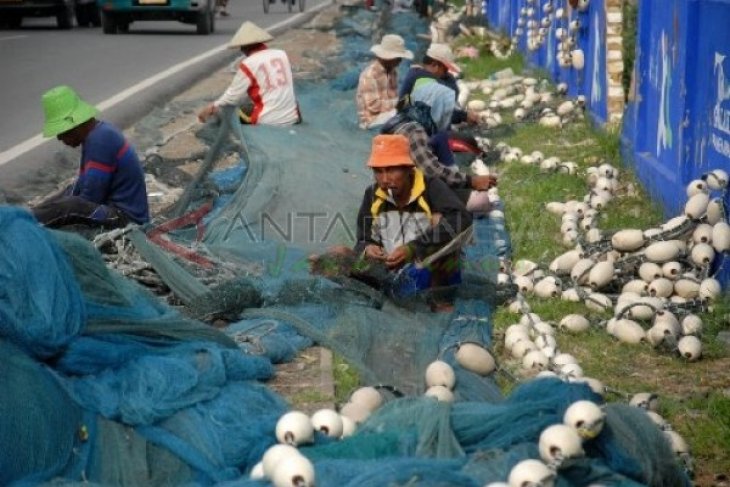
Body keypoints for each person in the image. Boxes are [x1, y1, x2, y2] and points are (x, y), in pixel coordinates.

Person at [310, 134, 472, 308]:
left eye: (392, 170)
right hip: (390, 272)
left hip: (429, 270)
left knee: (440, 220)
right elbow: (363, 238)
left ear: (408, 168)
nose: (385, 179)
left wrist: (413, 249)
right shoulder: (373, 194)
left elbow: (461, 218)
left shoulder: (431, 187)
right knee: (338, 254)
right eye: (378, 171)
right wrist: (368, 248)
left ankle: (440, 302)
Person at [31, 85, 149, 229]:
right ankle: (29, 218)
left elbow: (92, 197)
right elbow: (80, 186)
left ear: (76, 124)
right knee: (67, 194)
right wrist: (44, 207)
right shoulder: (97, 134)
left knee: (70, 206)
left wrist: (58, 209)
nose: (60, 137)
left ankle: (27, 227)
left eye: (63, 132)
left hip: (125, 218)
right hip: (112, 210)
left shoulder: (101, 140)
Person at [381, 80, 497, 211]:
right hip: (405, 198)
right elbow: (431, 170)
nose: (445, 116)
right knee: (480, 201)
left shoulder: (402, 123)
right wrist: (471, 181)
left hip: (399, 190)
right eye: (443, 111)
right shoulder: (414, 131)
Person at [198, 22, 300, 126]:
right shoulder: (281, 54)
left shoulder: (248, 63)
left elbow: (232, 98)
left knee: (228, 112)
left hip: (267, 120)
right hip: (292, 117)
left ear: (245, 46)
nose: (241, 50)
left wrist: (212, 106)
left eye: (242, 47)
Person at [399, 43, 479, 126]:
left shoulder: (435, 77)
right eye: (445, 69)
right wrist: (464, 116)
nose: (447, 73)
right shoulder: (420, 78)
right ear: (434, 65)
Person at [356, 34, 413, 129]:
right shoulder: (369, 76)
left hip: (388, 114)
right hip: (371, 121)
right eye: (398, 58)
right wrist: (399, 103)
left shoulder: (393, 72)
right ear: (388, 57)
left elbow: (393, 98)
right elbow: (373, 106)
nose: (400, 61)